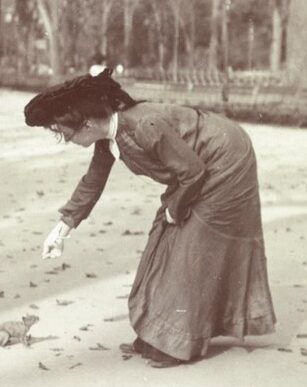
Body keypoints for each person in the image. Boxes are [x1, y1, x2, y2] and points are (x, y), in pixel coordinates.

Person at [24, 69, 276, 368]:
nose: (64, 138)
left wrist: (175, 208)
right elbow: (92, 183)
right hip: (194, 169)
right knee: (163, 241)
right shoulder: (108, 138)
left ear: (87, 123)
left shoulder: (144, 125)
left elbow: (193, 172)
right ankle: (160, 333)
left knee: (190, 247)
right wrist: (62, 228)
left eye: (63, 131)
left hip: (225, 160)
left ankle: (179, 342)